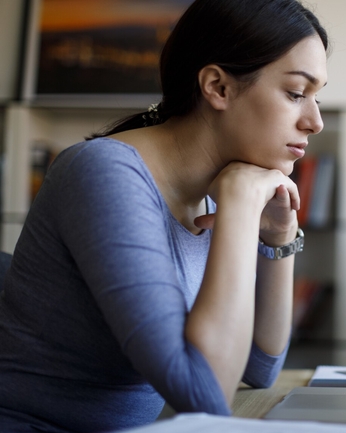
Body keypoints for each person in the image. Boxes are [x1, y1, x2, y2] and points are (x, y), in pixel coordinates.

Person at [0, 0, 328, 431]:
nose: (315, 121)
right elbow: (204, 395)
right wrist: (241, 210)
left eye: (317, 96)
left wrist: (280, 235)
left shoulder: (217, 191)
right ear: (218, 87)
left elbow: (259, 366)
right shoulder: (104, 172)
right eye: (295, 93)